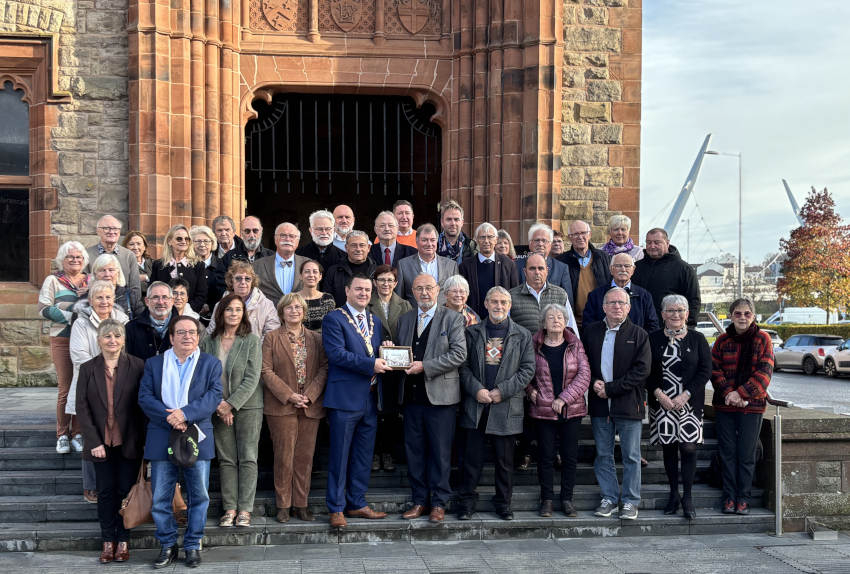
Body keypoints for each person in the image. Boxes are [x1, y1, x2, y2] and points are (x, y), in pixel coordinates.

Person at [138, 316, 221, 569]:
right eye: (181, 332)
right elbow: (145, 397)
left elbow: (214, 396)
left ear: (198, 336)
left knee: (199, 496)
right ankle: (168, 545)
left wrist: (184, 414)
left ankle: (193, 545)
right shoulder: (154, 364)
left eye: (192, 332)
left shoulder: (210, 363)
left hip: (196, 434)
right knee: (161, 497)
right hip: (163, 435)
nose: (187, 336)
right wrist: (171, 417)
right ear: (171, 337)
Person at [391, 274, 466, 523]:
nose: (424, 293)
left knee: (440, 453)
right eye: (419, 288)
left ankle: (439, 502)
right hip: (411, 398)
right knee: (415, 452)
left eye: (429, 288)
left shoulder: (453, 318)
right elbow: (400, 354)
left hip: (441, 399)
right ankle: (420, 500)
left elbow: (458, 355)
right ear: (412, 291)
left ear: (438, 291)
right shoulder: (405, 319)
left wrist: (426, 366)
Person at [456, 286, 535, 521]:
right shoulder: (472, 333)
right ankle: (467, 502)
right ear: (486, 304)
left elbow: (528, 369)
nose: (498, 306)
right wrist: (477, 389)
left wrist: (503, 391)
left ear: (509, 306)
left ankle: (503, 503)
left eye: (503, 302)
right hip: (477, 404)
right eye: (494, 302)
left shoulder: (522, 335)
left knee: (504, 462)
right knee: (472, 459)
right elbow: (463, 367)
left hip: (506, 405)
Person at [321, 274, 390, 528]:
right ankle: (336, 507)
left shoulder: (374, 320)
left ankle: (357, 503)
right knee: (340, 456)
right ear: (347, 291)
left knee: (363, 455)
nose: (363, 293)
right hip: (344, 398)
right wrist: (372, 363)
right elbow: (337, 355)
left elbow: (375, 351)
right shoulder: (334, 319)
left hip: (370, 398)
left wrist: (387, 351)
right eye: (358, 289)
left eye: (367, 290)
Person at [74, 319, 145, 563]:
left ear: (123, 340)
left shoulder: (137, 366)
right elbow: (81, 408)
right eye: (107, 336)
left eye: (116, 336)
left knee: (125, 492)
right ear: (99, 340)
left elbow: (142, 406)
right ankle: (107, 540)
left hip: (129, 442)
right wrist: (93, 441)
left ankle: (123, 540)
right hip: (100, 443)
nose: (112, 340)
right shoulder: (87, 368)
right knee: (105, 493)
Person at [582, 287, 650, 520]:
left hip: (629, 403)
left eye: (622, 303)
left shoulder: (639, 334)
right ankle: (609, 497)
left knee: (631, 455)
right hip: (600, 404)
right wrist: (594, 384)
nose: (617, 307)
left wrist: (610, 389)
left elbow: (642, 371)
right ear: (603, 307)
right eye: (612, 303)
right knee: (603, 453)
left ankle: (631, 501)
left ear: (629, 307)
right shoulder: (591, 332)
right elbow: (583, 364)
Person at [261, 293, 328, 523]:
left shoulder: (316, 339)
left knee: (304, 457)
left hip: (309, 406)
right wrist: (289, 395)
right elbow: (265, 371)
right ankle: (283, 505)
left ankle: (301, 504)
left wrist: (308, 396)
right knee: (284, 456)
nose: (294, 311)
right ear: (281, 312)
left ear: (304, 311)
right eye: (289, 308)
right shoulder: (271, 338)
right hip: (281, 406)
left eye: (298, 307)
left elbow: (324, 369)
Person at [200, 293, 263, 528]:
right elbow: (204, 376)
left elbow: (252, 377)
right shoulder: (209, 341)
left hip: (248, 407)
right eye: (229, 309)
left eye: (238, 309)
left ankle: (245, 509)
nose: (233, 313)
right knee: (226, 459)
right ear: (221, 313)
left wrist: (231, 404)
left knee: (247, 457)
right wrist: (219, 405)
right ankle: (230, 508)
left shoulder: (252, 340)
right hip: (217, 407)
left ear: (243, 313)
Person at [648, 294, 712, 520]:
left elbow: (705, 370)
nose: (676, 314)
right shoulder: (653, 338)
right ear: (663, 314)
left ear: (687, 314)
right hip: (662, 402)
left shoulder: (697, 339)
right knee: (669, 449)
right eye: (671, 310)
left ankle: (688, 496)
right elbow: (646, 371)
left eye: (680, 310)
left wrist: (686, 394)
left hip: (689, 403)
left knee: (688, 448)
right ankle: (673, 494)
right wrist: (659, 395)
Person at [710, 297, 774, 516]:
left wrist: (742, 393)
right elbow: (715, 371)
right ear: (731, 316)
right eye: (738, 313)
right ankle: (729, 497)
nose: (742, 317)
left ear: (753, 316)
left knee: (746, 454)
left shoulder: (763, 339)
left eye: (747, 313)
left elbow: (765, 372)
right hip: (725, 405)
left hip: (752, 406)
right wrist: (729, 393)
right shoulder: (722, 341)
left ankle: (743, 498)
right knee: (727, 453)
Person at [69, 280, 130, 504]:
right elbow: (78, 355)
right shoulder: (81, 323)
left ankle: (114, 484)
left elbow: (127, 351)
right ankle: (91, 485)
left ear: (114, 299)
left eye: (108, 297)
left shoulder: (123, 320)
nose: (104, 301)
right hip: (91, 385)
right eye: (99, 298)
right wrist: (103, 370)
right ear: (91, 300)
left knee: (115, 437)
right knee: (91, 434)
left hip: (119, 384)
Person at [527, 304, 590, 518]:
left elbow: (584, 376)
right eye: (551, 317)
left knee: (570, 457)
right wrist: (530, 391)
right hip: (543, 410)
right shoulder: (534, 345)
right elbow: (525, 371)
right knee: (545, 457)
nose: (556, 320)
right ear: (544, 323)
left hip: (571, 410)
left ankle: (567, 499)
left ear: (565, 322)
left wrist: (564, 398)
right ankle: (547, 499)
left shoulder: (575, 345)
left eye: (560, 317)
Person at [39, 241, 90, 454]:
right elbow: (44, 308)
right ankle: (62, 434)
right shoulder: (53, 280)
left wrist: (65, 307)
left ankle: (78, 432)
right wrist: (73, 315)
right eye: (70, 257)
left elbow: (95, 305)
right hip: (62, 338)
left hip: (87, 338)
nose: (75, 260)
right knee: (65, 388)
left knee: (82, 387)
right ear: (62, 259)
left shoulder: (90, 280)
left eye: (78, 257)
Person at [367, 264, 412, 471]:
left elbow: (410, 333)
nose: (386, 284)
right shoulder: (366, 303)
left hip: (396, 368)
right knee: (374, 410)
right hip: (373, 366)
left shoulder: (405, 305)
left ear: (396, 283)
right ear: (375, 283)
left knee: (392, 412)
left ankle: (388, 453)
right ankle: (375, 453)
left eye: (390, 280)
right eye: (381, 280)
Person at [632, 228, 701, 327]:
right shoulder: (636, 268)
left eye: (657, 242)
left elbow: (694, 300)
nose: (652, 246)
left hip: (670, 330)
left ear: (667, 243)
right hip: (640, 329)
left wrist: (688, 327)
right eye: (649, 242)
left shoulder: (684, 269)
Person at [582, 253, 659, 332]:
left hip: (636, 343)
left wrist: (640, 341)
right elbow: (588, 325)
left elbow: (652, 326)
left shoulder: (644, 296)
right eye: (618, 266)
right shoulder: (596, 295)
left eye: (627, 266)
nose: (623, 269)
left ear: (633, 270)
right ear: (611, 269)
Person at [206, 261, 280, 341]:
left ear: (252, 282)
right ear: (231, 281)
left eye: (247, 279)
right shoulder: (220, 305)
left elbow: (272, 334)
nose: (243, 282)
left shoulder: (266, 305)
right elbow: (212, 333)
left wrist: (255, 350)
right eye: (238, 278)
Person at [558, 220, 611, 329]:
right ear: (569, 237)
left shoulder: (604, 258)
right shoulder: (561, 261)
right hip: (573, 323)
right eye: (575, 234)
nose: (580, 237)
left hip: (600, 321)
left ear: (590, 234)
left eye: (583, 233)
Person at [458, 222, 519, 319]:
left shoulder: (508, 264)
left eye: (490, 237)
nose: (486, 241)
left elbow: (515, 294)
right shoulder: (465, 266)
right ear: (477, 240)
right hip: (474, 321)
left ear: (496, 240)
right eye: (482, 237)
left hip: (501, 319)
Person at [85, 215, 142, 315]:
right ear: (98, 231)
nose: (111, 231)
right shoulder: (86, 255)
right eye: (106, 228)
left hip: (123, 308)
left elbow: (135, 288)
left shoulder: (129, 255)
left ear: (119, 232)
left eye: (115, 228)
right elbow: (84, 286)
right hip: (96, 309)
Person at [509, 254, 575, 335]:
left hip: (553, 346)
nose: (537, 272)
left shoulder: (560, 294)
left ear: (547, 271)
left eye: (541, 268)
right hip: (522, 347)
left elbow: (570, 327)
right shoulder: (511, 296)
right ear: (525, 272)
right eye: (532, 269)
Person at [150, 224, 208, 314]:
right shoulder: (158, 265)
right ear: (170, 241)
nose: (184, 241)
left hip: (189, 314)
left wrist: (186, 312)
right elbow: (153, 291)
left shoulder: (198, 265)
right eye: (179, 239)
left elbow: (201, 294)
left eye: (187, 239)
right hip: (163, 314)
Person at [397, 223, 458, 306]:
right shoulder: (403, 265)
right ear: (417, 241)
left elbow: (455, 295)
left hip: (444, 316)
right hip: (415, 315)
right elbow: (399, 298)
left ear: (437, 241)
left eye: (432, 240)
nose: (429, 244)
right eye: (424, 240)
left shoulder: (451, 266)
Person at [215, 216, 275, 299]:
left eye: (255, 231)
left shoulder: (271, 256)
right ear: (241, 233)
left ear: (261, 231)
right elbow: (220, 284)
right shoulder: (228, 257)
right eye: (247, 231)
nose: (251, 235)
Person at [517, 223, 575, 306]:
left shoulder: (561, 268)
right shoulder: (516, 266)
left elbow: (568, 301)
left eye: (544, 241)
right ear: (530, 244)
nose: (540, 244)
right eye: (537, 240)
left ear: (550, 245)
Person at [253, 222, 310, 304]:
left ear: (298, 241)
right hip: (268, 315)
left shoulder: (308, 264)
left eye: (292, 236)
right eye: (283, 235)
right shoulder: (257, 265)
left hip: (298, 314)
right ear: (275, 239)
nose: (287, 239)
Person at [124, 281, 178, 360]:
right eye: (155, 297)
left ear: (172, 301)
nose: (160, 302)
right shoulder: (131, 328)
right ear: (147, 301)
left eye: (165, 297)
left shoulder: (183, 327)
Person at [324, 230, 377, 307]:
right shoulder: (334, 271)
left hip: (371, 317)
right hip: (341, 316)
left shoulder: (377, 271)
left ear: (368, 247)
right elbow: (327, 300)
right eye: (353, 245)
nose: (358, 249)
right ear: (346, 247)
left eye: (362, 245)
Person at [89, 253, 141, 318]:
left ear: (118, 273)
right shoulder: (86, 298)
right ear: (95, 273)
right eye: (102, 270)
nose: (107, 274)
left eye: (111, 270)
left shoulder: (130, 296)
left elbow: (143, 321)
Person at [189, 224, 221, 321]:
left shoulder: (222, 265)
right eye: (198, 241)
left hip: (216, 316)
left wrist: (210, 306)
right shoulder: (186, 265)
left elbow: (223, 289)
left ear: (212, 243)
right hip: (191, 313)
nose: (202, 245)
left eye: (206, 241)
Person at [295, 260, 336, 331]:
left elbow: (331, 326)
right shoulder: (292, 299)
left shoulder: (328, 299)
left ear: (320, 276)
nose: (311, 275)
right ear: (300, 276)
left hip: (322, 341)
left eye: (315, 272)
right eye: (307, 271)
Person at [122, 231, 152, 296]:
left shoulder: (154, 263)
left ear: (144, 247)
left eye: (139, 244)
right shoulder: (122, 265)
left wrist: (145, 277)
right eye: (131, 244)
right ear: (125, 247)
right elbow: (126, 285)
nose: (135, 247)